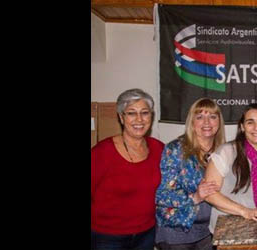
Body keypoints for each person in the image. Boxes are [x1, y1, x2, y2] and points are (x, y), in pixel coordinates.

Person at [91, 88, 164, 250]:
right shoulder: (102, 153)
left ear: (151, 117)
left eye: (145, 112)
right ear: (121, 117)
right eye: (131, 113)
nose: (139, 119)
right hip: (107, 237)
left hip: (147, 233)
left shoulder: (158, 148)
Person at [154, 98, 225, 250]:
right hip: (176, 233)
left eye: (212, 116)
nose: (207, 122)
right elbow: (161, 194)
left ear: (219, 122)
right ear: (192, 122)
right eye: (200, 117)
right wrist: (195, 197)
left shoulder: (223, 151)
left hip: (208, 232)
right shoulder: (175, 149)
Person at [204, 104, 257, 233]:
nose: (256, 127)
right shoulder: (226, 152)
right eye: (250, 122)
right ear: (242, 127)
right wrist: (245, 211)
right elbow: (209, 194)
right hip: (230, 232)